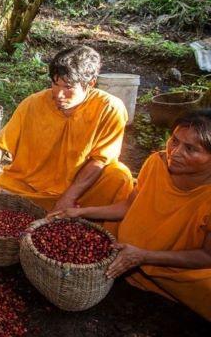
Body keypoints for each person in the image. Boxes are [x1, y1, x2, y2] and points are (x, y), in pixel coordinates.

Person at [50, 110, 211, 320]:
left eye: (190, 149)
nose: (175, 152)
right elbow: (129, 206)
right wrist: (80, 212)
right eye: (174, 141)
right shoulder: (156, 163)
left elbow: (207, 256)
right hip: (131, 249)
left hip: (177, 266)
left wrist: (144, 256)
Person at [0, 46, 134, 223]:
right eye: (55, 84)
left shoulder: (109, 108)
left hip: (81, 188)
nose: (59, 94)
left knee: (119, 177)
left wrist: (68, 197)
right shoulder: (33, 104)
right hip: (28, 186)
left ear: (90, 84)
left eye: (68, 87)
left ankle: (101, 231)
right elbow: (0, 144)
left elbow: (100, 160)